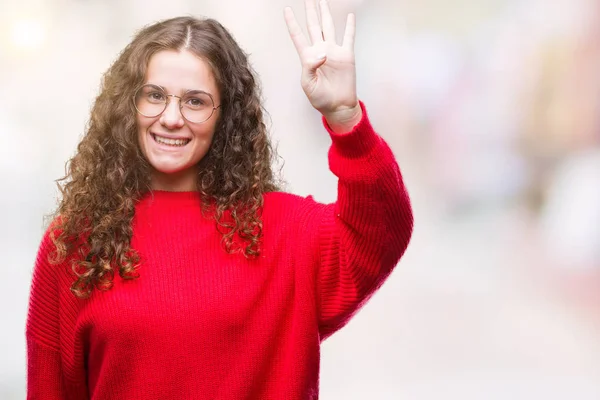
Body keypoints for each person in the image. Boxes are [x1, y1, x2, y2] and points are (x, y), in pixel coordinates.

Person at [26, 1, 413, 399]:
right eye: (154, 95)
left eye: (195, 101)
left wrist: (345, 117)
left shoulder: (286, 232)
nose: (172, 117)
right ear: (128, 104)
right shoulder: (76, 243)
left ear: (224, 116)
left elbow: (383, 231)